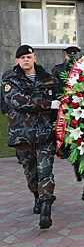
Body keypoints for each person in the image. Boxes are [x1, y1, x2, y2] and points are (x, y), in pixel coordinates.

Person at [2, 45, 60, 229]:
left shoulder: (50, 79)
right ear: (16, 61)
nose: (26, 60)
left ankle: (46, 207)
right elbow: (17, 102)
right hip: (22, 135)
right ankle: (36, 196)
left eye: (29, 56)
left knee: (45, 170)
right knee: (31, 170)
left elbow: (62, 100)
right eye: (22, 58)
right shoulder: (9, 80)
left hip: (45, 133)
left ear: (35, 58)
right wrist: (48, 104)